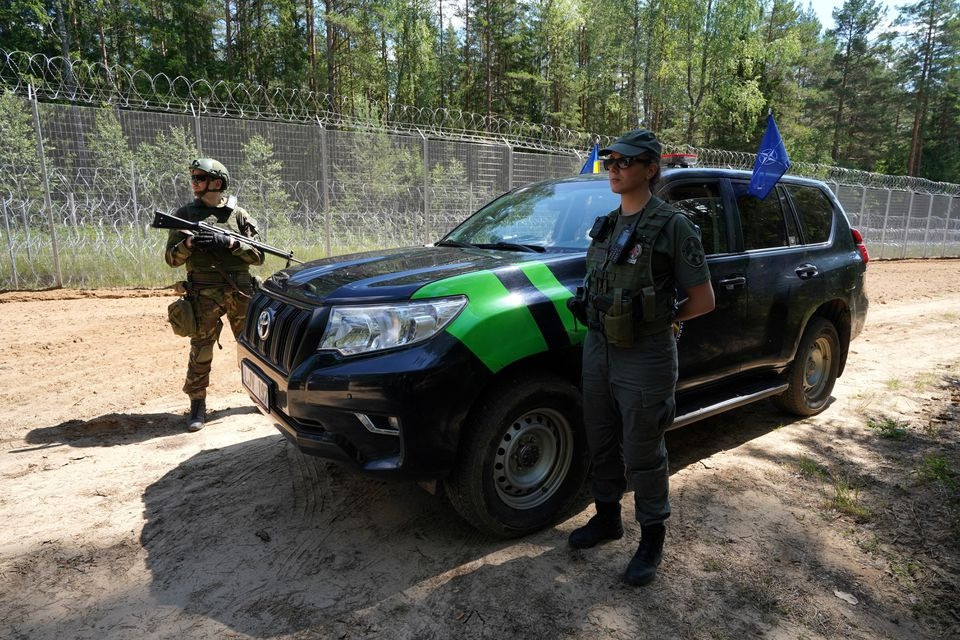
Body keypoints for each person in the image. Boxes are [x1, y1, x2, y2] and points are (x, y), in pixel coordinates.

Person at [566, 129, 715, 586]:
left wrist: (660, 323)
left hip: (645, 355)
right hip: (599, 348)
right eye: (610, 161)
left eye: (624, 162)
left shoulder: (673, 225)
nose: (613, 169)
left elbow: (703, 299)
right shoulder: (608, 224)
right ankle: (607, 518)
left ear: (650, 168)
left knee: (644, 451)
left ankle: (652, 538)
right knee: (601, 437)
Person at [165, 158, 264, 431]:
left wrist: (230, 242)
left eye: (199, 177)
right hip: (203, 295)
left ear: (217, 183)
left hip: (240, 292)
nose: (194, 182)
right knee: (201, 349)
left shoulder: (239, 215)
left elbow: (258, 256)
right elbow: (171, 259)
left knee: (252, 348)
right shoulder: (183, 215)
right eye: (193, 177)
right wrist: (188, 243)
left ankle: (263, 396)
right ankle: (197, 404)